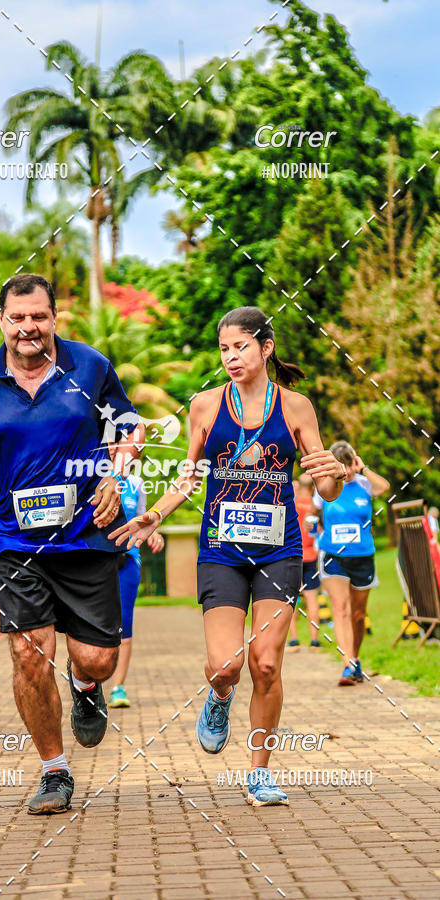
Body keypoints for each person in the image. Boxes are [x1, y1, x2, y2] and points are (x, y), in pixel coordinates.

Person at [110, 306, 347, 807]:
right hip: (221, 550)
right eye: (224, 349)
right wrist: (154, 513)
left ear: (266, 348)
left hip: (280, 551)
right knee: (226, 665)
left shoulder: (297, 407)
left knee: (266, 664)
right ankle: (219, 696)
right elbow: (189, 476)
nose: (231, 357)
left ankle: (259, 772)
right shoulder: (205, 406)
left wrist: (334, 474)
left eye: (241, 347)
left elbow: (323, 486)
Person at [0, 273, 145, 816]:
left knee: (96, 659)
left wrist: (115, 474)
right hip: (13, 541)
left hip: (86, 536)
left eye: (39, 317)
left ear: (54, 318)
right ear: (2, 319)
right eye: (18, 317)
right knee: (29, 654)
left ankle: (89, 688)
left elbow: (129, 427)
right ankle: (54, 770)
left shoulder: (90, 367)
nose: (29, 327)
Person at [313, 441, 389, 686]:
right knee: (341, 610)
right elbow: (314, 514)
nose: (348, 472)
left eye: (350, 465)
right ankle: (346, 665)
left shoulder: (364, 484)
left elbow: (384, 487)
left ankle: (355, 658)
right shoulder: (324, 488)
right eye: (343, 466)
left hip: (363, 556)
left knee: (358, 616)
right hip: (333, 555)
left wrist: (364, 469)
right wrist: (312, 526)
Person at [107, 455, 164, 709]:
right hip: (96, 560)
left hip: (128, 559)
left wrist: (154, 534)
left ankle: (118, 687)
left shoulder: (137, 483)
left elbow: (143, 518)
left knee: (124, 622)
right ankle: (89, 685)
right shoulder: (93, 476)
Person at [287, 475, 320, 650]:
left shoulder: (292, 504)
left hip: (293, 555)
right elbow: (320, 530)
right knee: (312, 599)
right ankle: (314, 641)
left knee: (290, 598)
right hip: (311, 555)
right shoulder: (317, 507)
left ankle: (294, 640)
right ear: (313, 487)